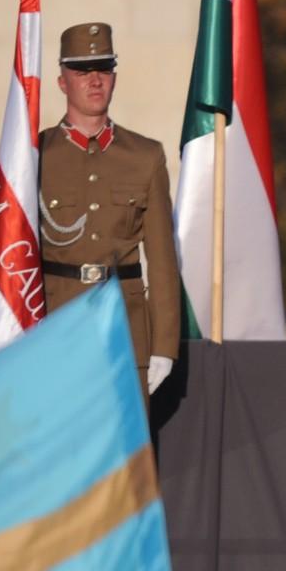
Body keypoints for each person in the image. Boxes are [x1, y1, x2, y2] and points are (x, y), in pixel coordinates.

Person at [39, 23, 179, 401]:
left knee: (126, 456)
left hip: (124, 328)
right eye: (82, 71)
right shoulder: (34, 155)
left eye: (103, 69)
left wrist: (164, 344)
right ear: (61, 81)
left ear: (114, 77)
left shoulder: (145, 156)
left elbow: (163, 259)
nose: (94, 80)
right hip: (54, 326)